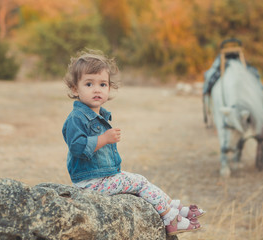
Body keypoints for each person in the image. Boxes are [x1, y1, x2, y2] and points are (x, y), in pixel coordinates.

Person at [62, 49, 205, 236]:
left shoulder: (99, 115)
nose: (97, 89)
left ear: (109, 88)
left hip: (102, 176)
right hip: (89, 182)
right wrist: (104, 139)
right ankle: (170, 218)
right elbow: (77, 147)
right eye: (89, 84)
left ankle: (173, 207)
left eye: (103, 84)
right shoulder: (76, 118)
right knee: (137, 182)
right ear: (75, 89)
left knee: (140, 179)